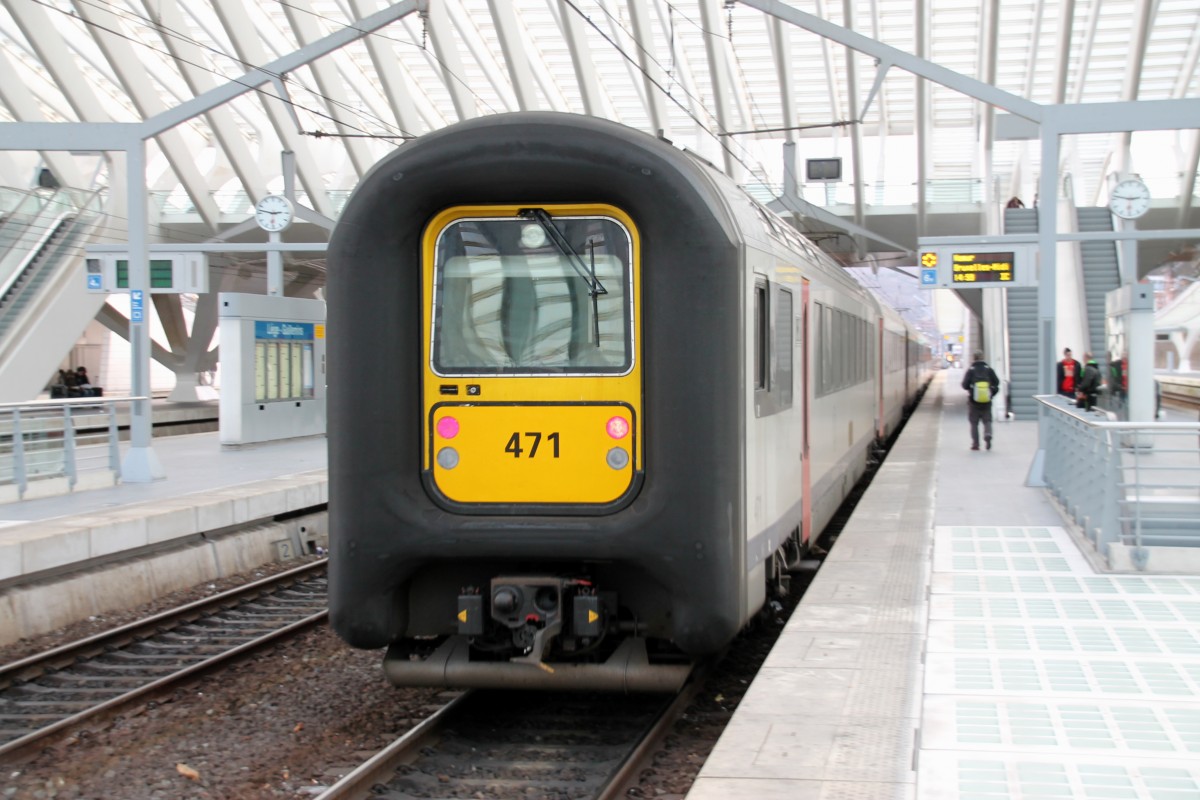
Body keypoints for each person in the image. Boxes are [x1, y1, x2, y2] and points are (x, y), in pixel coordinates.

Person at [961, 350, 1000, 451]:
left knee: (974, 423)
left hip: (974, 402)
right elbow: (997, 382)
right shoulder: (989, 369)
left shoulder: (971, 370)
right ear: (983, 357)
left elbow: (964, 385)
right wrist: (991, 393)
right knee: (987, 420)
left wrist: (972, 389)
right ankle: (988, 434)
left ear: (974, 358)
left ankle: (976, 444)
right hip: (987, 401)